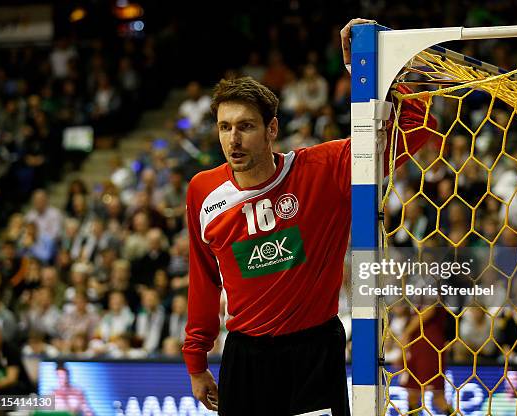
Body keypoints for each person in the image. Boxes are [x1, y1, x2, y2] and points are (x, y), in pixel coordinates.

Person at [183, 18, 435, 415]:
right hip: (245, 355)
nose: (233, 139)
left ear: (272, 129)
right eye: (224, 127)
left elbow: (418, 125)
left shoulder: (325, 169)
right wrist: (196, 361)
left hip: (313, 352)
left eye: (246, 127)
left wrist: (366, 70)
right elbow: (203, 277)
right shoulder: (202, 190)